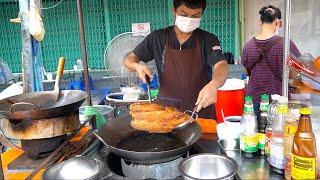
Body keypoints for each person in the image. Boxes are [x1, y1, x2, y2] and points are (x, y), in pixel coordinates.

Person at [124, 0, 228, 119]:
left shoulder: (208, 39)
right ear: (174, 10)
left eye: (195, 16)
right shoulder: (157, 37)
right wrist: (137, 66)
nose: (189, 19)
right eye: (184, 15)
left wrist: (214, 84)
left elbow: (221, 65)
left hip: (200, 113)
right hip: (165, 114)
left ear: (201, 15)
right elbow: (129, 59)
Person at [241, 5, 301, 116]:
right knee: (276, 132)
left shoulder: (248, 45)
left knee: (254, 132)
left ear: (260, 22)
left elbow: (246, 72)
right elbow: (294, 73)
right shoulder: (285, 44)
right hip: (277, 101)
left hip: (253, 101)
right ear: (279, 23)